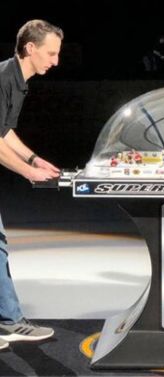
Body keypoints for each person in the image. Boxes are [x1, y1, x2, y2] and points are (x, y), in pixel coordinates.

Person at [0, 20, 63, 351]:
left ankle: (8, 321)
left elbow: (4, 132)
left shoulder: (17, 82)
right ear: (30, 48)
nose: (55, 61)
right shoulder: (2, 79)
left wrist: (34, 159)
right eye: (51, 53)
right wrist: (27, 172)